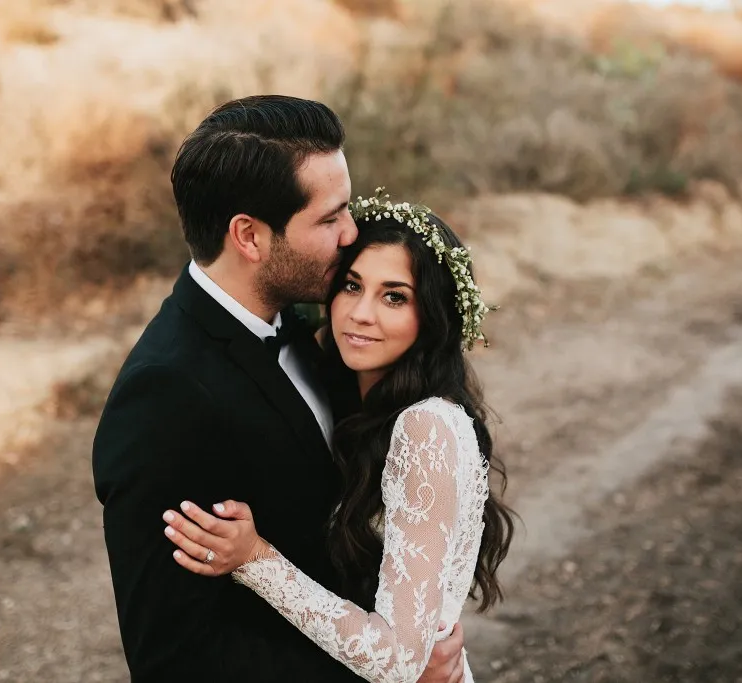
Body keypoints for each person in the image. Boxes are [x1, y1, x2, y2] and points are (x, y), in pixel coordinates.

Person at [92, 97, 467, 682]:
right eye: (328, 218)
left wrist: (415, 632)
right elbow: (174, 658)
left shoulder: (312, 331)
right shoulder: (167, 394)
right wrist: (386, 672)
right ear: (249, 236)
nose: (351, 235)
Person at [159, 191, 516, 683]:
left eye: (395, 296)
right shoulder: (361, 405)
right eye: (352, 286)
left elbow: (398, 660)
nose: (361, 313)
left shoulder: (425, 426)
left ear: (432, 315)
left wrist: (254, 558)